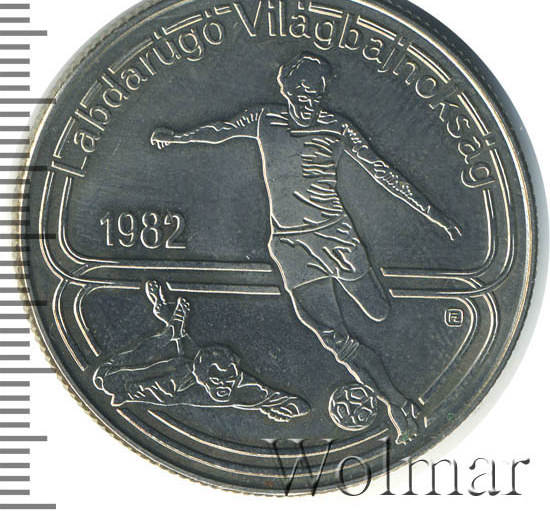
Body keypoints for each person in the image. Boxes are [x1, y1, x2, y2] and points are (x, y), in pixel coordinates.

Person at [150, 52, 461, 443]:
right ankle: (398, 406)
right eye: (301, 93)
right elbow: (219, 130)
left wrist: (434, 214)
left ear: (322, 93)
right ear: (287, 90)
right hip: (290, 244)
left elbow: (383, 172)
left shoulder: (338, 128)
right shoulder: (264, 120)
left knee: (378, 311)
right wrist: (177, 138)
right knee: (335, 339)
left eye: (315, 94)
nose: (308, 101)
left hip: (336, 237)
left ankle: (391, 367)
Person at [93, 281, 310, 423]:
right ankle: (170, 329)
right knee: (110, 378)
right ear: (201, 375)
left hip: (162, 382)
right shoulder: (182, 373)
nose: (223, 384)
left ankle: (170, 327)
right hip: (168, 381)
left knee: (112, 379)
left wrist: (287, 410)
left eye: (228, 377)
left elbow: (300, 406)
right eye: (216, 378)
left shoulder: (244, 386)